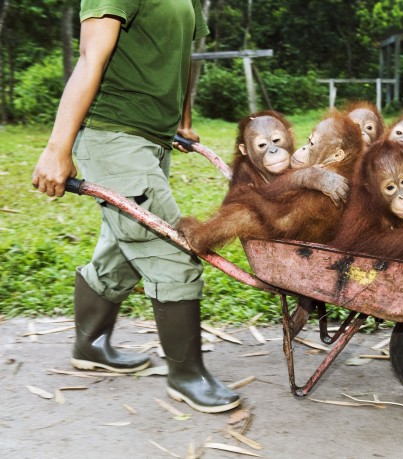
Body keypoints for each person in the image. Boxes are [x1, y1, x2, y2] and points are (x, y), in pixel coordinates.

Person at [31, 1, 240, 414]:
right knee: (171, 248)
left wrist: (181, 118)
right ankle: (187, 376)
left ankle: (89, 345)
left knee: (124, 247)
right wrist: (57, 148)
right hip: (111, 134)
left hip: (150, 138)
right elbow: (92, 55)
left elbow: (182, 56)